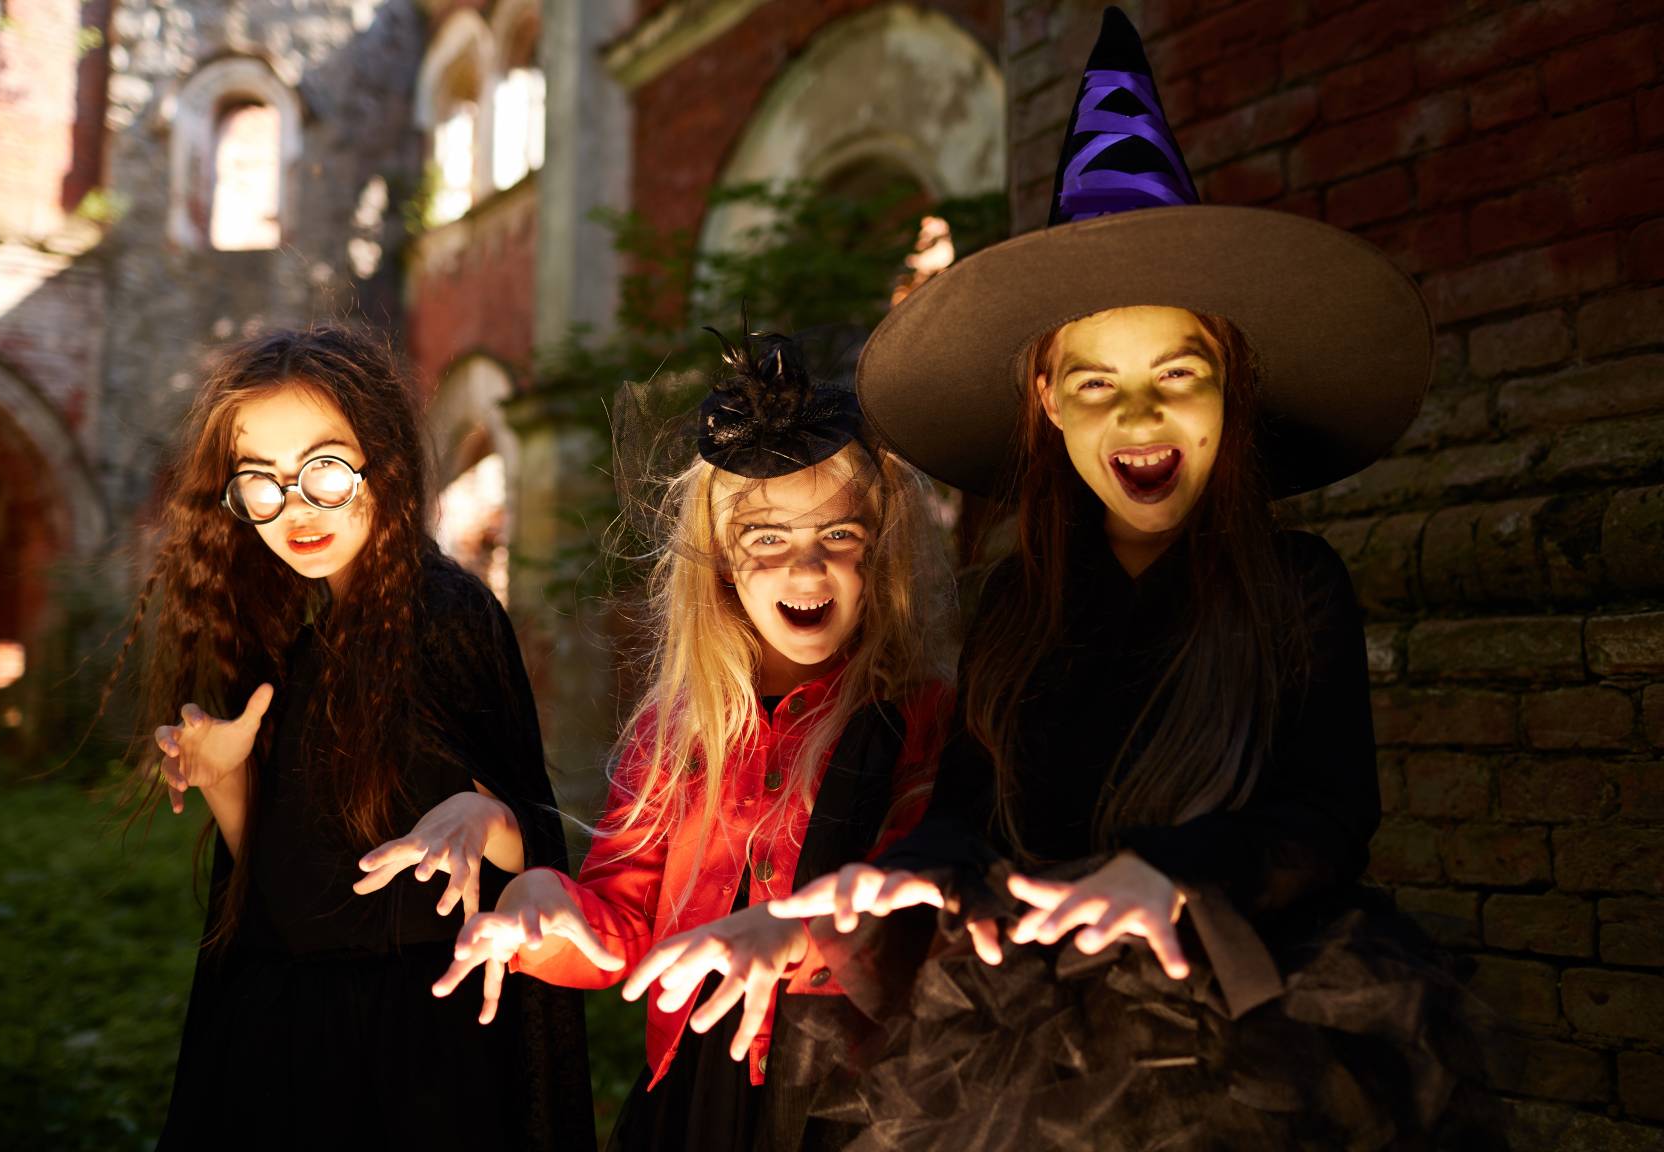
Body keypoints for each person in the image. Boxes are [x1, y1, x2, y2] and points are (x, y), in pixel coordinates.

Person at [769, 10, 1503, 1149]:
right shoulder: (1019, 601)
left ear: (1232, 392)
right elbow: (973, 810)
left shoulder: (1295, 585)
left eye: (1179, 372)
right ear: (1048, 405)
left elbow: (1328, 817)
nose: (1142, 416)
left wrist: (1170, 870)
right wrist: (915, 871)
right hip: (1021, 1036)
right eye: (1097, 384)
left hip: (1249, 1024)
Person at [415, 320, 955, 1151]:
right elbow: (622, 925)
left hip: (856, 1103)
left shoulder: (917, 716)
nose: (804, 571)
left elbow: (925, 906)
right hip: (696, 1095)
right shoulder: (676, 734)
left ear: (877, 553)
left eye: (836, 539)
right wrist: (544, 911)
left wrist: (798, 936)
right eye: (767, 540)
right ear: (724, 563)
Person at [104, 326, 593, 1150]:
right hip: (286, 1038)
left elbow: (535, 846)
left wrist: (487, 822)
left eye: (324, 470)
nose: (295, 508)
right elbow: (279, 889)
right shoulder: (288, 635)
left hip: (418, 1042)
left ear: (384, 461)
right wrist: (227, 778)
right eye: (260, 482)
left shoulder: (446, 613)